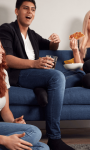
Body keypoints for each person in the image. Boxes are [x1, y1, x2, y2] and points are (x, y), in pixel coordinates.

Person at [0, 0, 74, 150]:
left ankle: (41, 89)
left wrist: (56, 42)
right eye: (25, 8)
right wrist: (35, 63)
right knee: (57, 77)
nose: (30, 12)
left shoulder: (32, 35)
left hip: (34, 75)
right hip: (18, 74)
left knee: (65, 76)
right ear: (16, 11)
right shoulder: (7, 29)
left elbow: (50, 45)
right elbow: (6, 58)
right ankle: (54, 138)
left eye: (33, 9)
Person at [0, 41, 49, 150]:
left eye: (1, 47)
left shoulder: (2, 73)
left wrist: (14, 123)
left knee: (43, 147)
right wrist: (5, 140)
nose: (2, 51)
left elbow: (5, 111)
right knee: (34, 132)